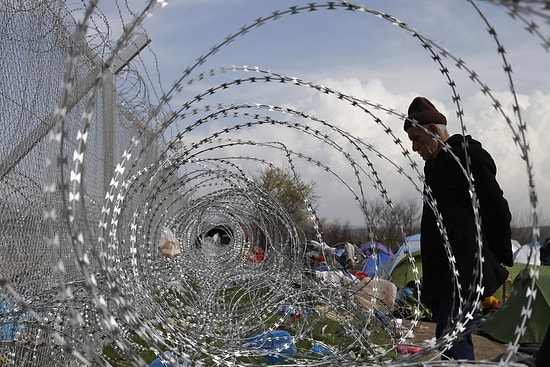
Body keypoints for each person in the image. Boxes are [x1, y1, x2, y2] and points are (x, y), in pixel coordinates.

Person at [403, 96, 513, 360]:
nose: (414, 147)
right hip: (444, 272)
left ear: (434, 132)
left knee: (454, 344)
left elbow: (496, 208)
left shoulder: (467, 155)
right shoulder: (434, 166)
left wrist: (500, 256)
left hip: (464, 269)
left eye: (418, 139)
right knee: (448, 339)